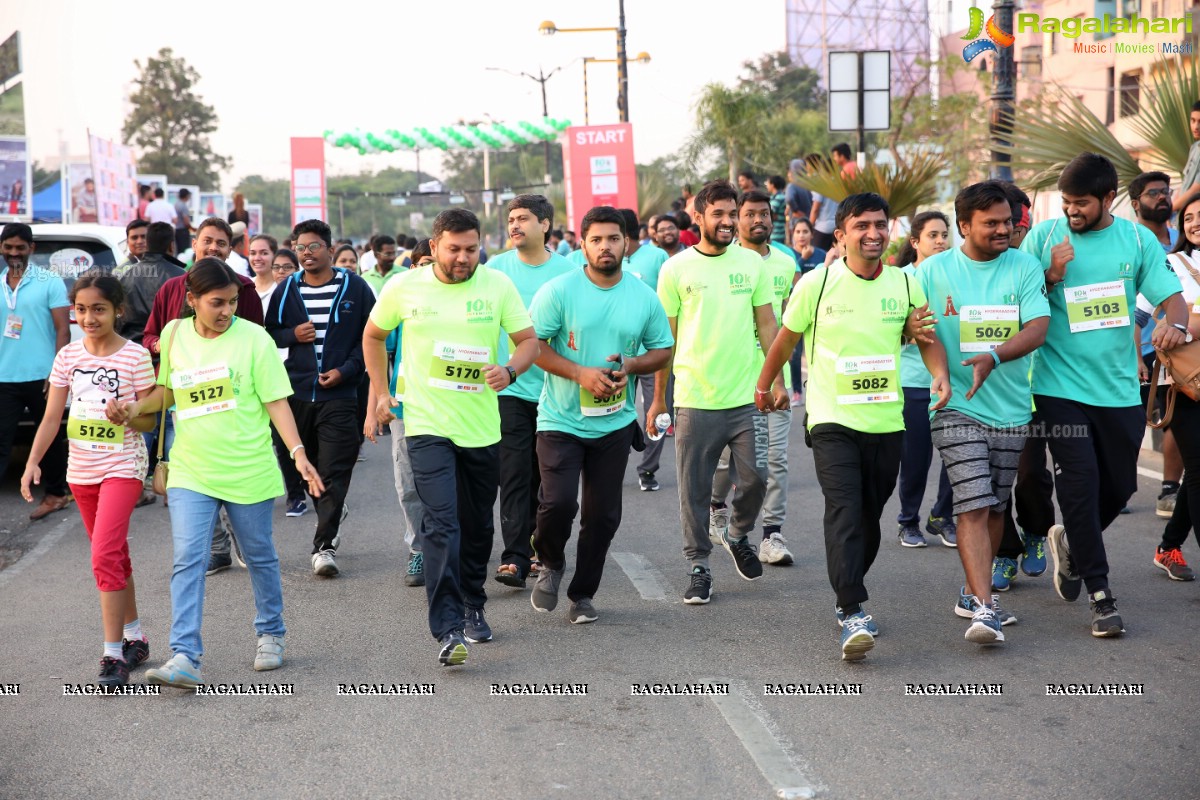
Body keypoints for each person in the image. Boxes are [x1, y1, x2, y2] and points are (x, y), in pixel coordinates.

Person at [106, 259, 323, 687]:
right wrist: (133, 408)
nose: (226, 311)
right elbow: (167, 389)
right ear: (191, 301)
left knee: (259, 555)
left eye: (233, 302)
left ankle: (271, 634)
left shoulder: (255, 339)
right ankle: (185, 654)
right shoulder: (173, 334)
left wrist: (298, 453)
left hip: (248, 467)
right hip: (191, 467)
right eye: (216, 303)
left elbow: (277, 401)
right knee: (189, 559)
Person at [755, 193, 950, 661]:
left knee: (869, 514)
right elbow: (785, 341)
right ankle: (852, 608)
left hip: (887, 419)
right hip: (830, 419)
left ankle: (849, 584)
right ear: (840, 236)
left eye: (880, 225)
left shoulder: (905, 284)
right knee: (844, 508)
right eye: (861, 226)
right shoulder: (816, 284)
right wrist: (767, 387)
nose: (873, 233)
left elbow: (926, 338)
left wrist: (939, 372)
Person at [1022, 152, 1187, 637]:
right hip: (1055, 385)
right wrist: (1048, 276)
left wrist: (1174, 324)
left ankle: (1071, 539)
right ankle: (1100, 593)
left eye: (1082, 204)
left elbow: (1170, 297)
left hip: (1117, 388)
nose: (1072, 211)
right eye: (1067, 202)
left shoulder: (1135, 238)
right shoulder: (1045, 237)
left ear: (1108, 198)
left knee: (1120, 486)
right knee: (1079, 479)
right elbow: (1017, 300)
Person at [364, 208, 539, 666]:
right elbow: (373, 336)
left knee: (478, 525)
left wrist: (510, 369)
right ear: (435, 246)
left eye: (471, 248)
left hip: (481, 427)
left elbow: (528, 340)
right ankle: (448, 629)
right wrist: (381, 392)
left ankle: (473, 602)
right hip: (426, 425)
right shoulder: (404, 286)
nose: (464, 258)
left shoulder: (496, 285)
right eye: (454, 249)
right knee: (441, 524)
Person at [918, 181, 1051, 645]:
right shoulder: (931, 272)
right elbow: (920, 328)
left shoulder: (1025, 266)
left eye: (1007, 221)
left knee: (996, 503)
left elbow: (1038, 326)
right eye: (991, 223)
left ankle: (972, 589)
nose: (1003, 228)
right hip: (954, 406)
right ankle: (985, 608)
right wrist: (939, 371)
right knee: (973, 500)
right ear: (964, 226)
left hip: (1011, 409)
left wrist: (994, 356)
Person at [528, 206, 673, 622]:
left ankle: (583, 594)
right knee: (556, 505)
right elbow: (534, 346)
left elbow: (663, 349)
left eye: (613, 238)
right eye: (596, 239)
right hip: (561, 420)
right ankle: (551, 563)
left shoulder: (643, 296)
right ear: (583, 244)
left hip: (613, 423)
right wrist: (580, 374)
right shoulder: (558, 291)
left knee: (603, 515)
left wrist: (630, 365)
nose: (605, 246)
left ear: (627, 242)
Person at [648, 180, 785, 604]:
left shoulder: (751, 264)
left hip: (746, 397)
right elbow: (664, 342)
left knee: (757, 479)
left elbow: (767, 326)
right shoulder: (675, 269)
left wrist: (775, 380)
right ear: (699, 217)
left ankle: (737, 533)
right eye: (720, 214)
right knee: (693, 492)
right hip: (694, 399)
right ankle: (699, 567)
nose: (728, 222)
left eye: (732, 213)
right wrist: (658, 399)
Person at [20, 274, 156, 688]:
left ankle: (113, 655)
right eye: (81, 309)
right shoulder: (68, 356)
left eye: (98, 309)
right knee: (113, 555)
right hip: (81, 472)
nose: (89, 317)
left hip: (123, 466)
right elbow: (50, 418)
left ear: (118, 310)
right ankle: (135, 637)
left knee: (103, 556)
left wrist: (129, 414)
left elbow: (151, 418)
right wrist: (32, 463)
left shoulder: (135, 357)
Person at [141, 218, 266, 570]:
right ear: (193, 243)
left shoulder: (246, 289)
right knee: (192, 478)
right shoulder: (172, 289)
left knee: (234, 473)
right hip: (182, 401)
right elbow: (150, 335)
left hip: (233, 401)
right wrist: (166, 346)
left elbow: (257, 339)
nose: (213, 248)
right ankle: (216, 546)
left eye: (221, 243)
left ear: (231, 248)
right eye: (207, 241)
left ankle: (244, 540)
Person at [266, 219, 375, 577]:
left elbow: (371, 341)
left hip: (341, 396)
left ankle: (323, 547)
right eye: (300, 247)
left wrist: (346, 370)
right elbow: (270, 335)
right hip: (296, 394)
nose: (306, 253)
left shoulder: (356, 289)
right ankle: (332, 509)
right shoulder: (286, 290)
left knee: (334, 469)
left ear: (330, 249)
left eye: (313, 246)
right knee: (309, 468)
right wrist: (293, 334)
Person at [487, 195, 576, 589]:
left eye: (523, 218)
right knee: (513, 475)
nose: (515, 225)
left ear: (545, 224)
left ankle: (542, 549)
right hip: (509, 389)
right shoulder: (494, 270)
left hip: (555, 393)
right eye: (511, 219)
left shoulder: (569, 272)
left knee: (549, 480)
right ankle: (514, 557)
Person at [708, 190, 798, 566]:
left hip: (777, 376)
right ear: (737, 219)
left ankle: (771, 534)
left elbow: (790, 319)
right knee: (728, 462)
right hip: (733, 378)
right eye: (750, 214)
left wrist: (780, 376)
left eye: (765, 214)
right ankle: (716, 508)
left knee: (775, 460)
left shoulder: (786, 261)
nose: (759, 220)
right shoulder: (725, 262)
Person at [364, 239, 433, 587]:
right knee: (408, 483)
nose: (427, 270)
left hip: (455, 409)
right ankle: (419, 548)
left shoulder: (462, 304)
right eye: (421, 263)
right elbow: (377, 352)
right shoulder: (402, 303)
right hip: (406, 409)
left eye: (432, 262)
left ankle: (454, 547)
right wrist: (375, 405)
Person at [0, 223, 72, 521]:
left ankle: (56, 495)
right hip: (5, 377)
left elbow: (63, 330)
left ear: (32, 248)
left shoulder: (49, 281)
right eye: (8, 247)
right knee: (2, 440)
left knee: (52, 439)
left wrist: (56, 371)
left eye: (20, 247)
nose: (14, 253)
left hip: (44, 376)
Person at [895, 211, 956, 549]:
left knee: (957, 455)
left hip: (952, 381)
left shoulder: (955, 277)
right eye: (932, 235)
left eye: (944, 234)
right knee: (916, 459)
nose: (940, 241)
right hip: (913, 383)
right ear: (915, 242)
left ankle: (942, 516)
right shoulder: (899, 279)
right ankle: (908, 521)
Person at [116, 221, 188, 508]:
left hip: (135, 357)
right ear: (172, 245)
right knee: (172, 424)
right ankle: (172, 488)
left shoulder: (125, 276)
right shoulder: (181, 278)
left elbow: (118, 321)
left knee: (142, 425)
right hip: (172, 359)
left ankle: (136, 487)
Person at [1129, 171, 1184, 518]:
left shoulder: (1183, 241)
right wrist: (1133, 354)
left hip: (1177, 350)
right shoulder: (1128, 241)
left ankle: (1169, 490)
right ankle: (1118, 484)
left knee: (1176, 420)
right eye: (1153, 193)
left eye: (1166, 192)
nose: (1162, 198)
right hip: (1137, 349)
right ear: (1136, 203)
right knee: (1131, 423)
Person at [1153, 196, 1200, 581]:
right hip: (1186, 385)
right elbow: (1143, 314)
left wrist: (1191, 322)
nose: (1194, 222)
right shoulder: (1171, 265)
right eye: (1188, 217)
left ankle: (1169, 547)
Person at [785, 217, 827, 407]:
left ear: (812, 234)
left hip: (819, 310)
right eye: (798, 232)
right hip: (796, 309)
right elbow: (792, 279)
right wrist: (803, 259)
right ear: (793, 234)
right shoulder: (789, 256)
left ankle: (819, 389)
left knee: (818, 352)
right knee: (795, 353)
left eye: (805, 231)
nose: (801, 235)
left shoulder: (822, 255)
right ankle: (796, 392)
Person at [1171, 99, 1200, 213]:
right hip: (1179, 214)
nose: (1196, 126)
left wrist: (1169, 211)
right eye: (1193, 121)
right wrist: (1171, 210)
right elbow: (1184, 183)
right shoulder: (1194, 147)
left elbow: (1196, 189)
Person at [807, 154, 837, 251]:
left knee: (818, 258)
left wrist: (809, 227)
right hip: (836, 228)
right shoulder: (840, 185)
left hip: (821, 228)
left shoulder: (822, 185)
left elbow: (815, 209)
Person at [786, 159, 813, 231]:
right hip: (809, 220)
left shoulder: (792, 185)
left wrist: (795, 210)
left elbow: (790, 199)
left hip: (797, 222)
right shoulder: (808, 184)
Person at [766, 176, 789, 244]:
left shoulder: (780, 197)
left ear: (772, 185)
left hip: (777, 233)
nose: (767, 186)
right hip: (773, 233)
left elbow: (769, 212)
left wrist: (770, 215)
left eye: (768, 183)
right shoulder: (774, 197)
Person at [173, 189, 194, 256]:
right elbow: (186, 222)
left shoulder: (176, 204)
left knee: (179, 251)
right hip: (183, 231)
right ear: (186, 196)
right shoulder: (183, 206)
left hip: (177, 230)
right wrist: (192, 228)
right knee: (185, 251)